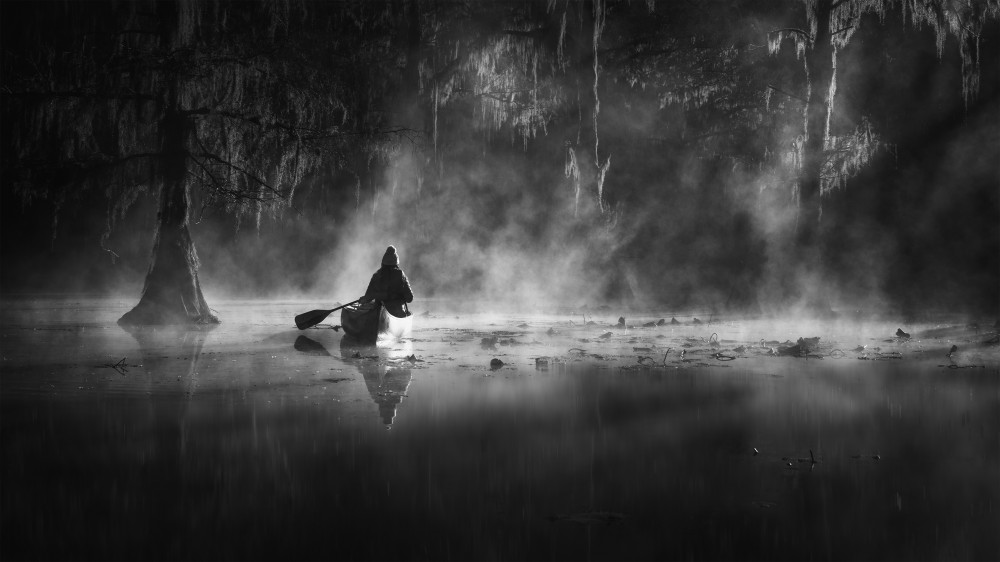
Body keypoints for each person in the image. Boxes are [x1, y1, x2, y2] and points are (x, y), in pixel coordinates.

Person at [359, 245, 413, 317]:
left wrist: (363, 299)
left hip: (378, 312)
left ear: (383, 262)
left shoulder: (376, 275)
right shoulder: (401, 274)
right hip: (397, 313)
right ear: (396, 262)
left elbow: (368, 297)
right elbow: (409, 298)